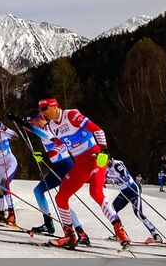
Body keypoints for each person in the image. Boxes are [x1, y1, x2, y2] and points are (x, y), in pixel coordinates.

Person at [38, 97, 117, 249]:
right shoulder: (52, 126)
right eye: (42, 111)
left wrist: (104, 150)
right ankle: (69, 236)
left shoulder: (71, 115)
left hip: (94, 158)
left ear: (54, 106)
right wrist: (46, 155)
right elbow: (61, 145)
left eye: (46, 109)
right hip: (80, 164)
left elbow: (97, 130)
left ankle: (119, 231)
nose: (44, 114)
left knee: (95, 192)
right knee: (60, 197)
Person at [20, 112, 87, 243]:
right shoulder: (44, 129)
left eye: (32, 123)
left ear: (39, 120)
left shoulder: (49, 129)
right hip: (58, 166)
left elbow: (60, 145)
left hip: (65, 166)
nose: (30, 127)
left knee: (61, 200)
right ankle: (50, 225)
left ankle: (80, 233)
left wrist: (45, 156)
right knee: (41, 192)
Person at [106, 159, 165, 244]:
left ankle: (155, 234)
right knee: (113, 211)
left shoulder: (116, 164)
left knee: (138, 213)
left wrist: (115, 180)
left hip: (132, 189)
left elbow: (125, 176)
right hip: (123, 192)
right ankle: (120, 234)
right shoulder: (104, 169)